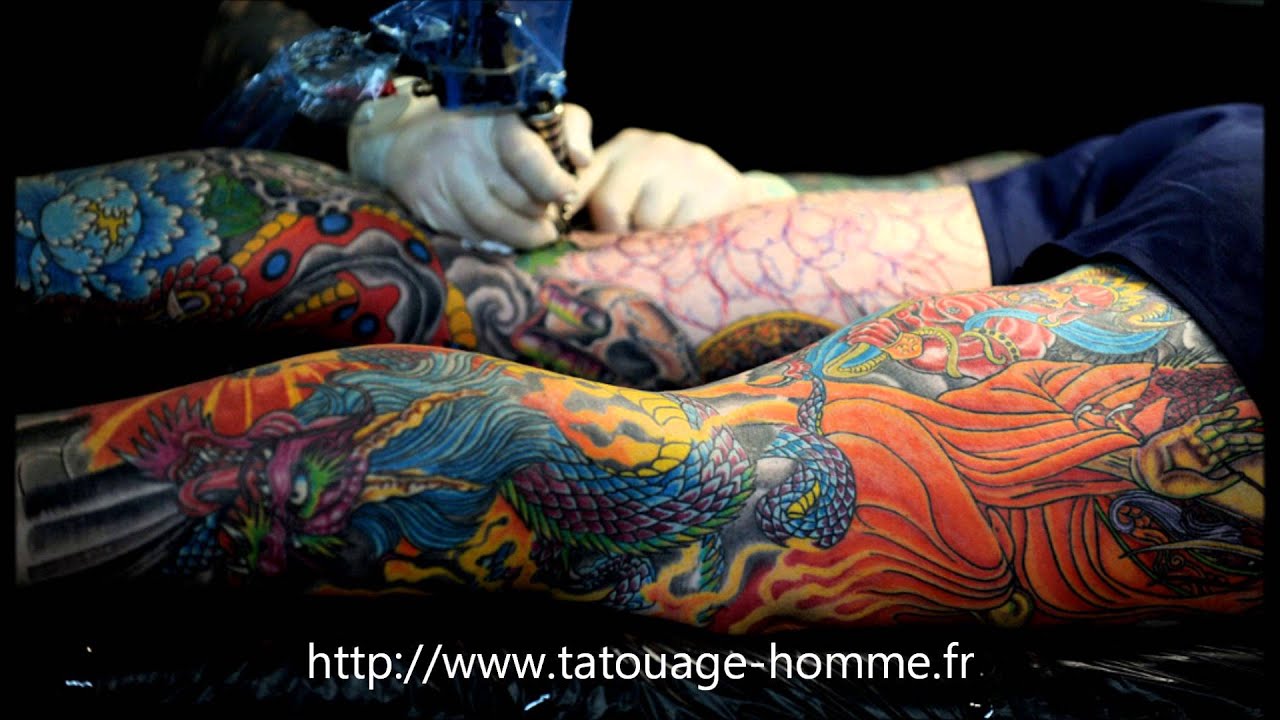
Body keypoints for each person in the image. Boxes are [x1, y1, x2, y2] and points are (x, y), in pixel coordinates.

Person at [13, 92, 1262, 630]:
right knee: (628, 453)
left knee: (440, 290)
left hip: (1205, 159)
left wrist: (771, 204)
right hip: (1188, 180)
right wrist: (759, 194)